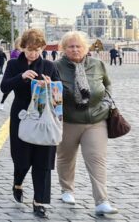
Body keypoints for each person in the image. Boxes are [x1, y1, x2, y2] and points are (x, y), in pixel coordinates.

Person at [55, 31, 118, 216]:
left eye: (78, 46)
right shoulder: (56, 67)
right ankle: (67, 189)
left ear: (86, 48)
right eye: (71, 46)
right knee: (66, 157)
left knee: (96, 159)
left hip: (96, 120)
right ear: (64, 49)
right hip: (68, 121)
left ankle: (102, 201)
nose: (75, 49)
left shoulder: (98, 64)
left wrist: (106, 102)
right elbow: (50, 90)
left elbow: (107, 85)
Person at [0, 29, 60, 219]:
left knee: (43, 159)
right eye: (29, 49)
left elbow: (60, 94)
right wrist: (22, 77)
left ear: (42, 48)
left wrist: (51, 86)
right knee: (22, 158)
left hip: (45, 118)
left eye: (37, 49)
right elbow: (4, 86)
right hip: (21, 116)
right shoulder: (12, 65)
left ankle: (39, 202)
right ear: (22, 47)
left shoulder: (49, 66)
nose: (33, 53)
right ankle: (18, 182)